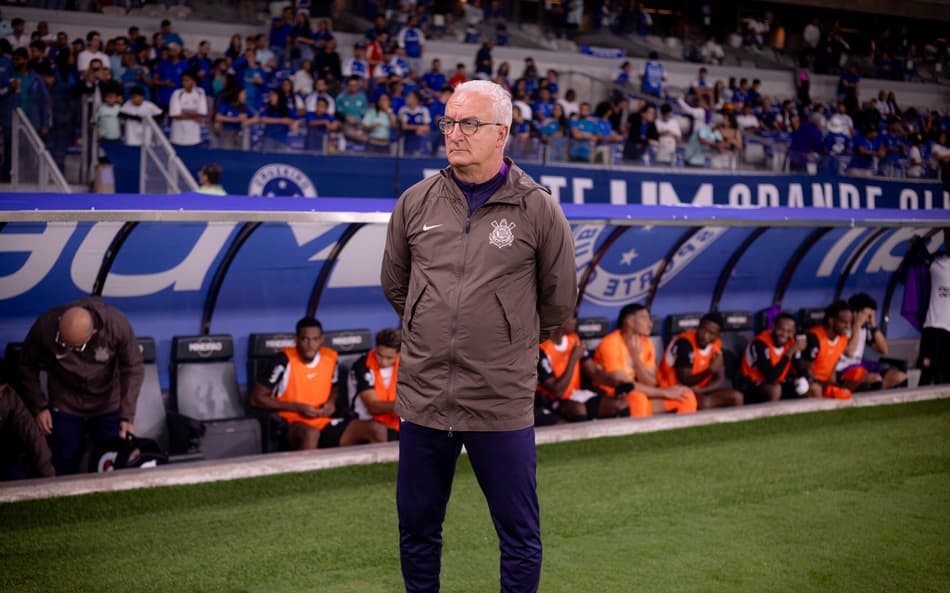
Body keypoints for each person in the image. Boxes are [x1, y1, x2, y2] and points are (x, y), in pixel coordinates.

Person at [380, 80, 576, 593]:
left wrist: (501, 340)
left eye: (471, 123)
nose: (456, 133)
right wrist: (433, 327)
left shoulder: (538, 209)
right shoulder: (416, 201)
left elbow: (557, 304)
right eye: (449, 122)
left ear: (502, 133)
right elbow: (397, 286)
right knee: (417, 529)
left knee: (518, 535)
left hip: (499, 400)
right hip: (424, 399)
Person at [17, 297, 144, 475]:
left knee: (108, 460)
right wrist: (39, 406)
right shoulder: (46, 324)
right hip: (65, 402)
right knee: (62, 460)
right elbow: (26, 365)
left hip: (106, 402)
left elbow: (133, 367)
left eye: (74, 347)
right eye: (62, 342)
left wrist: (127, 415)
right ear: (60, 321)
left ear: (92, 333)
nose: (65, 348)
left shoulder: (116, 325)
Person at [249, 317, 340, 450]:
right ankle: (309, 471)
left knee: (371, 428)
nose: (310, 345)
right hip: (290, 420)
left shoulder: (331, 357)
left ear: (322, 339)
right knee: (311, 433)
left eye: (315, 339)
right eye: (305, 339)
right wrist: (297, 407)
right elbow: (256, 399)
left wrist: (331, 402)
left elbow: (335, 386)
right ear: (296, 339)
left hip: (322, 419)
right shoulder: (283, 359)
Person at [592, 303, 697, 417]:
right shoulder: (610, 344)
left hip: (643, 393)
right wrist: (665, 392)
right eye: (644, 318)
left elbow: (651, 382)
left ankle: (681, 434)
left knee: (686, 395)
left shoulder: (646, 343)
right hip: (612, 397)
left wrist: (636, 359)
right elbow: (623, 385)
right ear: (629, 321)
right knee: (638, 399)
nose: (650, 324)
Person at [657, 313, 744, 409]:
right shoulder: (684, 343)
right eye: (703, 329)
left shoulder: (716, 344)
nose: (705, 336)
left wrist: (702, 390)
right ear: (698, 327)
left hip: (700, 389)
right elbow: (685, 379)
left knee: (737, 397)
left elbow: (720, 379)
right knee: (705, 403)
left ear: (717, 335)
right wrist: (709, 371)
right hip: (673, 388)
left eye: (711, 333)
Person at [338, 328, 402, 445]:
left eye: (389, 358)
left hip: (396, 422)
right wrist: (409, 407)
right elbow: (373, 407)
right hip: (364, 421)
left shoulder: (406, 365)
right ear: (375, 347)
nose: (383, 361)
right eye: (379, 355)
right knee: (378, 429)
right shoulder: (362, 365)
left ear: (398, 354)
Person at [836, 293, 908, 392]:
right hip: (844, 370)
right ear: (855, 313)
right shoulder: (842, 329)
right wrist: (856, 325)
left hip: (860, 367)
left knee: (900, 377)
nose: (867, 318)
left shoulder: (864, 330)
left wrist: (873, 325)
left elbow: (884, 350)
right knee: (875, 379)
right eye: (866, 315)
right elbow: (850, 353)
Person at [739, 312, 809, 402]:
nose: (784, 334)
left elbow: (802, 369)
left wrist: (803, 379)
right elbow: (771, 377)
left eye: (789, 331)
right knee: (775, 389)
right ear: (773, 327)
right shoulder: (760, 343)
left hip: (779, 382)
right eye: (781, 329)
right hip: (753, 385)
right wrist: (790, 352)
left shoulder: (791, 342)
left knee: (813, 387)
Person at [0, 366, 55, 480]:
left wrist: (49, 475)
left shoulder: (10, 396)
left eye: (2, 391)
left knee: (16, 475)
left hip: (4, 456)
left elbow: (32, 433)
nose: (0, 395)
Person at [917, 229, 950, 385]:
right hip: (935, 328)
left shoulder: (935, 262)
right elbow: (919, 246)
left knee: (944, 376)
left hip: (944, 330)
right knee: (929, 373)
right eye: (947, 236)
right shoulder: (937, 263)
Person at [801, 301, 853, 399]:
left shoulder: (843, 339)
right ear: (831, 321)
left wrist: (833, 384)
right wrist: (827, 385)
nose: (848, 327)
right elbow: (807, 372)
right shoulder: (814, 337)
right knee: (816, 389)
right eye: (844, 322)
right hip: (807, 382)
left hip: (825, 382)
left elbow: (832, 366)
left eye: (850, 323)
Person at [168, 70, 207, 147]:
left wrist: (183, 113)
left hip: (194, 138)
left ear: (193, 81)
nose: (184, 83)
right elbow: (175, 114)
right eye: (183, 80)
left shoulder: (200, 92)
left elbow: (202, 113)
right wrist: (195, 116)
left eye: (187, 80)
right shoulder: (177, 93)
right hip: (177, 137)